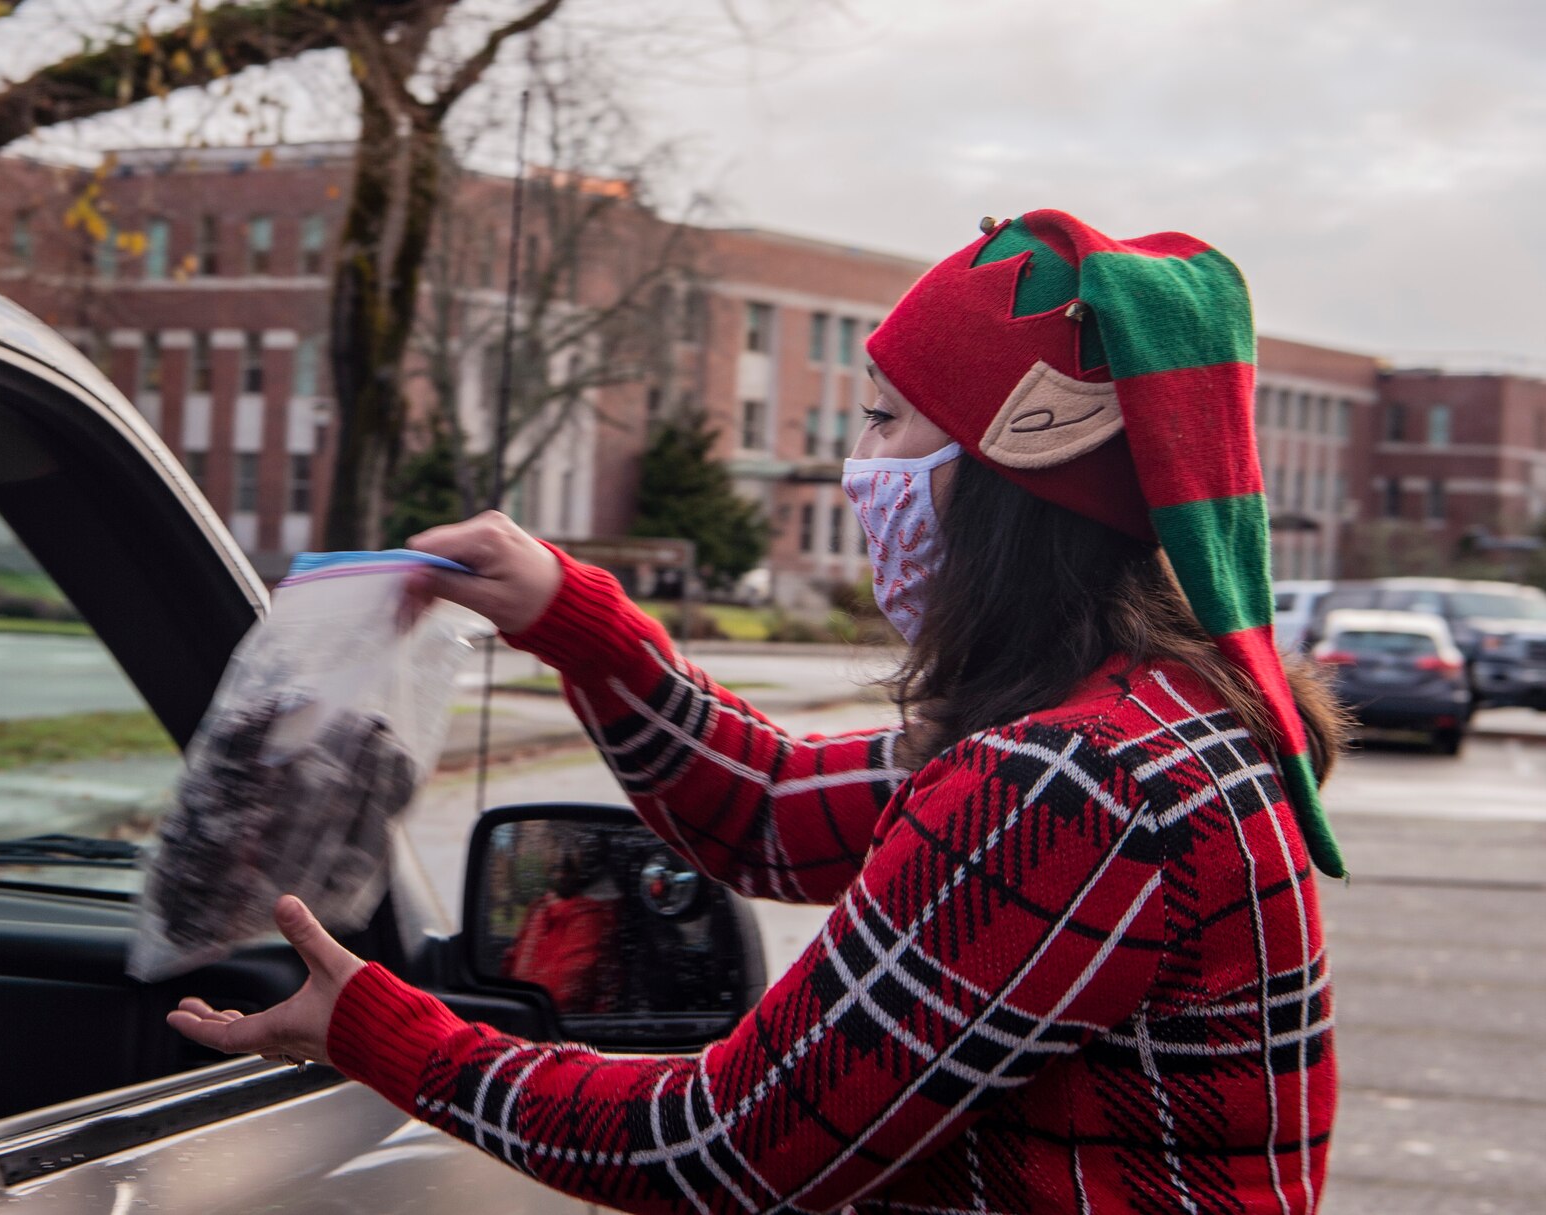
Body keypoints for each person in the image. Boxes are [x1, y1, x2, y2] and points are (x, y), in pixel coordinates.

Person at [170, 210, 1346, 1214]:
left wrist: (382, 1033)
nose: (854, 467)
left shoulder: (1076, 781)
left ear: (1010, 475)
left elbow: (724, 1148)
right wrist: (572, 619)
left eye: (885, 422)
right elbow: (776, 812)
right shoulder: (1146, 722)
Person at [499, 832, 620, 1014]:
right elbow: (508, 971)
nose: (563, 857)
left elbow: (560, 998)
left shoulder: (593, 919)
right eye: (555, 843)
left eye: (576, 845)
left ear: (593, 854)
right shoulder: (541, 908)